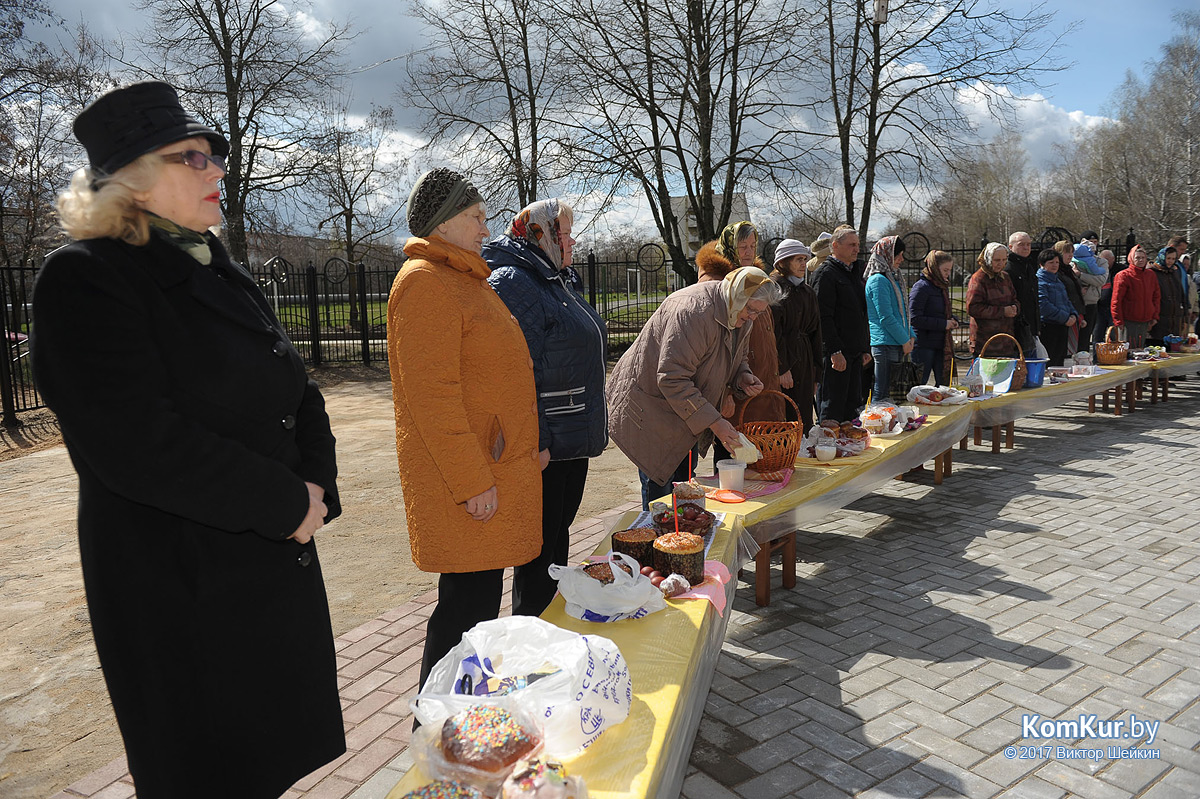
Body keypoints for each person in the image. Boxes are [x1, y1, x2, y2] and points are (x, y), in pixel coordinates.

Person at [30, 81, 344, 798]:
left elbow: (295, 388)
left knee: (264, 770)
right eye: (193, 157)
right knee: (211, 775)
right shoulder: (86, 278)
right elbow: (135, 442)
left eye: (215, 156)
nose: (217, 171)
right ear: (133, 177)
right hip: (182, 592)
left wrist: (316, 485)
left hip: (263, 569)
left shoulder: (213, 262)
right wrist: (282, 499)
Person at [387, 168, 542, 690]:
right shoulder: (425, 284)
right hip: (473, 481)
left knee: (474, 609)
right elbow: (432, 399)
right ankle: (435, 732)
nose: (485, 226)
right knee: (462, 612)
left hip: (495, 467)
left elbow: (493, 382)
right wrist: (473, 481)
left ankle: (462, 718)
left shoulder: (463, 279)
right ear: (445, 221)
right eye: (476, 216)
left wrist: (522, 446)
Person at [483, 199, 607, 617]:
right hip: (546, 444)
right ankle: (531, 638)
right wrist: (534, 442)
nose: (572, 241)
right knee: (537, 554)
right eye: (565, 233)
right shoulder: (514, 281)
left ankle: (550, 631)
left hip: (569, 437)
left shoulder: (557, 279)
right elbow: (514, 373)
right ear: (541, 234)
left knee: (556, 543)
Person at [606, 267, 781, 509]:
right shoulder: (693, 312)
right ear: (736, 295)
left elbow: (737, 357)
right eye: (750, 309)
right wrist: (715, 422)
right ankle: (661, 542)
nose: (752, 317)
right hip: (653, 410)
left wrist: (743, 376)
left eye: (758, 313)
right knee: (661, 495)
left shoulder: (740, 314)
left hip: (686, 413)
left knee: (684, 489)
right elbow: (671, 378)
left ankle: (683, 541)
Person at [696, 221, 785, 423]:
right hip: (735, 384)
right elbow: (716, 347)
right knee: (733, 444)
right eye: (742, 246)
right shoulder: (717, 283)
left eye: (753, 246)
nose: (749, 252)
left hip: (755, 375)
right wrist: (726, 392)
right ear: (729, 247)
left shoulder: (756, 278)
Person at [812, 227, 871, 422]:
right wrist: (834, 351)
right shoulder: (826, 274)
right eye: (852, 245)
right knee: (832, 408)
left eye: (858, 245)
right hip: (836, 357)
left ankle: (849, 448)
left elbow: (860, 313)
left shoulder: (853, 272)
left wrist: (864, 348)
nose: (857, 249)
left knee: (852, 408)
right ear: (835, 246)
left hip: (854, 354)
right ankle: (829, 448)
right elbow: (822, 317)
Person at [768, 239, 822, 432]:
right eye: (798, 259)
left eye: (805, 259)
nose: (803, 264)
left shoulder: (807, 292)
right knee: (787, 416)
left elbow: (816, 332)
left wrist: (817, 372)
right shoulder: (775, 289)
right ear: (783, 262)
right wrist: (782, 367)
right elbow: (774, 332)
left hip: (805, 358)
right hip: (787, 361)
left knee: (804, 415)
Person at [863, 236, 915, 402]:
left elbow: (902, 313)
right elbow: (886, 317)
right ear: (887, 255)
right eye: (898, 254)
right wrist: (905, 339)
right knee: (882, 394)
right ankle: (879, 425)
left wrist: (911, 335)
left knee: (892, 395)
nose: (901, 259)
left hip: (895, 343)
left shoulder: (893, 278)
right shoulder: (878, 281)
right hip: (885, 344)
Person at [909, 250, 960, 386]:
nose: (947, 274)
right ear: (934, 268)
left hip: (941, 344)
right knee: (919, 385)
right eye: (945, 270)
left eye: (949, 270)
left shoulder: (941, 287)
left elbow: (942, 312)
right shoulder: (921, 287)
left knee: (944, 386)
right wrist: (943, 324)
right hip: (923, 345)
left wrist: (953, 320)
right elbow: (914, 318)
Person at [966, 242, 1019, 356]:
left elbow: (1014, 298)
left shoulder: (1005, 277)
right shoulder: (978, 279)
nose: (1001, 263)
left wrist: (1015, 307)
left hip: (1006, 342)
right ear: (988, 259)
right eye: (997, 260)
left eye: (1004, 260)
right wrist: (1002, 311)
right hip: (985, 343)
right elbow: (973, 308)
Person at [1111, 245, 1160, 349]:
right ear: (1131, 258)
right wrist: (1118, 320)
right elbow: (1116, 300)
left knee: (1141, 350)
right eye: (1137, 257)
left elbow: (1156, 296)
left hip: (1145, 321)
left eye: (1143, 257)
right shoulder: (1123, 276)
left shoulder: (1150, 275)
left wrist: (1155, 316)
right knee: (1127, 350)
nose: (1141, 260)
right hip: (1129, 321)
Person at [1038, 247, 1078, 366]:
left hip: (1063, 326)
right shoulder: (1040, 281)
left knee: (1060, 362)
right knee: (1051, 361)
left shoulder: (1058, 280)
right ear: (1042, 264)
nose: (1055, 265)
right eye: (1051, 263)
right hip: (1049, 326)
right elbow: (1043, 305)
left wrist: (1073, 315)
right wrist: (1065, 318)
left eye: (1057, 262)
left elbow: (1066, 300)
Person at [1005, 231, 1039, 350]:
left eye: (1028, 244)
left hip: (1031, 324)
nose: (1026, 248)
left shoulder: (1028, 266)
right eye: (1021, 244)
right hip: (1017, 326)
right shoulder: (1008, 268)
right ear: (1010, 246)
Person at [1053, 240, 1087, 357]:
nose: (1070, 255)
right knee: (1067, 353)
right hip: (1066, 316)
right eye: (1067, 252)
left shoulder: (1070, 270)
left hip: (1075, 313)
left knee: (1075, 350)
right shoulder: (1057, 272)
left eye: (1072, 252)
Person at [1072, 236, 1106, 343]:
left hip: (1091, 302)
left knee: (1085, 338)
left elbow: (1101, 280)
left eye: (1094, 243)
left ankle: (1084, 358)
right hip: (1075, 303)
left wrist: (1080, 274)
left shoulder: (1101, 262)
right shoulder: (1074, 260)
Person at [1149, 247, 1185, 345]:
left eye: (1173, 259)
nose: (1170, 262)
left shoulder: (1174, 272)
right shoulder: (1153, 272)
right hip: (1159, 319)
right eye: (1168, 258)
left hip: (1174, 319)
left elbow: (1180, 294)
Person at [1094, 249, 1119, 348]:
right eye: (1103, 259)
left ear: (1113, 259)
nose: (1106, 262)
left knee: (1114, 335)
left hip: (1113, 307)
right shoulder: (1097, 270)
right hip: (1100, 307)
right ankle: (1097, 358)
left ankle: (1115, 357)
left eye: (1108, 259)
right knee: (1097, 335)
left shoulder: (1119, 270)